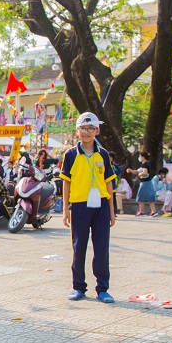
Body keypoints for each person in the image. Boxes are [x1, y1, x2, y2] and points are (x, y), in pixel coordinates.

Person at [62, 112, 116, 303]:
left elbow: (109, 183)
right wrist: (65, 211)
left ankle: (102, 288)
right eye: (83, 128)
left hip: (100, 205)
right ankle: (78, 287)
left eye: (90, 128)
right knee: (79, 247)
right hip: (79, 206)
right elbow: (66, 183)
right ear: (77, 131)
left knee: (101, 248)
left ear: (97, 131)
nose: (86, 132)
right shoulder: (70, 155)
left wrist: (111, 211)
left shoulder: (103, 154)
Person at [126, 152, 156, 217]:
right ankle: (153, 211)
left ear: (143, 157)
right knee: (150, 197)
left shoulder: (145, 164)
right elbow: (137, 171)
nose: (139, 158)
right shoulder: (144, 164)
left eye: (140, 156)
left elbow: (144, 172)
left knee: (141, 197)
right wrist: (131, 170)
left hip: (145, 183)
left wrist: (140, 174)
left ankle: (142, 211)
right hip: (147, 183)